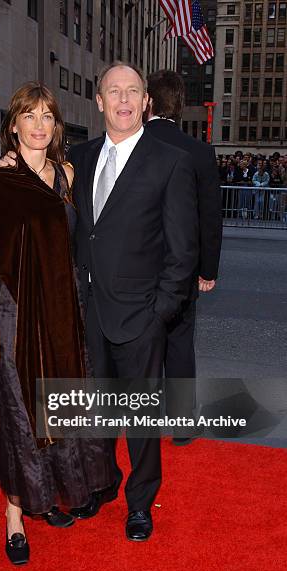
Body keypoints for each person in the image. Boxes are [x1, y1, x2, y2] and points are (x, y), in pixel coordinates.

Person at [1, 63, 199, 543]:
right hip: (84, 313)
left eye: (133, 91)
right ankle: (101, 483)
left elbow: (183, 249)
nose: (125, 99)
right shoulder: (80, 160)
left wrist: (160, 313)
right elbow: (43, 187)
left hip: (141, 317)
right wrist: (10, 167)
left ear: (146, 102)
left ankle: (140, 501)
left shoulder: (168, 161)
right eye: (115, 91)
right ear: (100, 101)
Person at [0, 82, 115, 565]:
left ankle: (45, 497)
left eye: (47, 116)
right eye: (29, 116)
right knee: (20, 413)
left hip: (64, 310)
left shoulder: (68, 175)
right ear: (13, 125)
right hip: (14, 310)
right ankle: (14, 514)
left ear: (56, 127)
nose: (39, 125)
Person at [145, 70, 223, 444]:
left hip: (135, 268)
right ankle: (180, 422)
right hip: (182, 268)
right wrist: (207, 269)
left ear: (148, 101)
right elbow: (210, 217)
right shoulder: (200, 152)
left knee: (138, 343)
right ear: (179, 106)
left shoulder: (131, 144)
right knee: (179, 342)